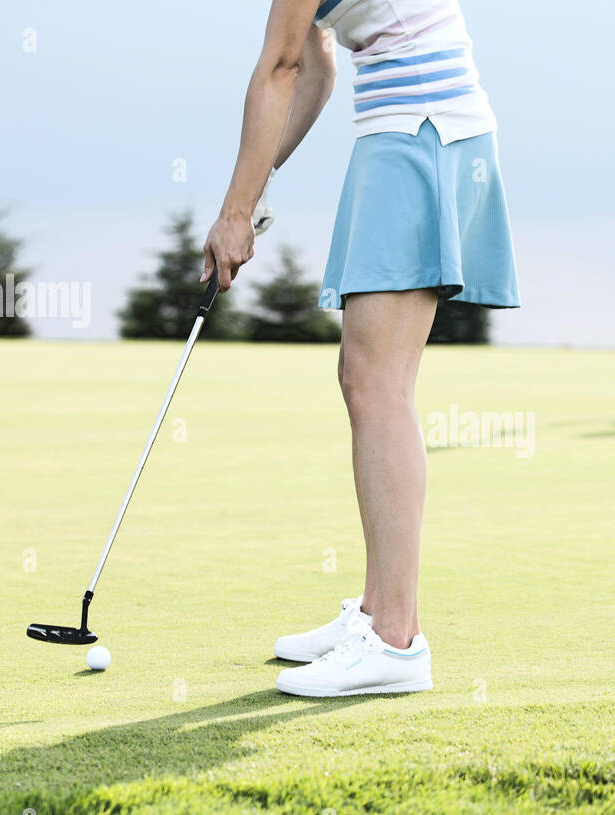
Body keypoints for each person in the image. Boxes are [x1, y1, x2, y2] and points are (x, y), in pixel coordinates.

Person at [202, 0, 519, 696]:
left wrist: (233, 212)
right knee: (362, 380)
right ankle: (376, 615)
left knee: (379, 386)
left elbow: (280, 66)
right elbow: (315, 64)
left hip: (422, 129)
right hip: (410, 130)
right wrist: (253, 187)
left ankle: (396, 644)